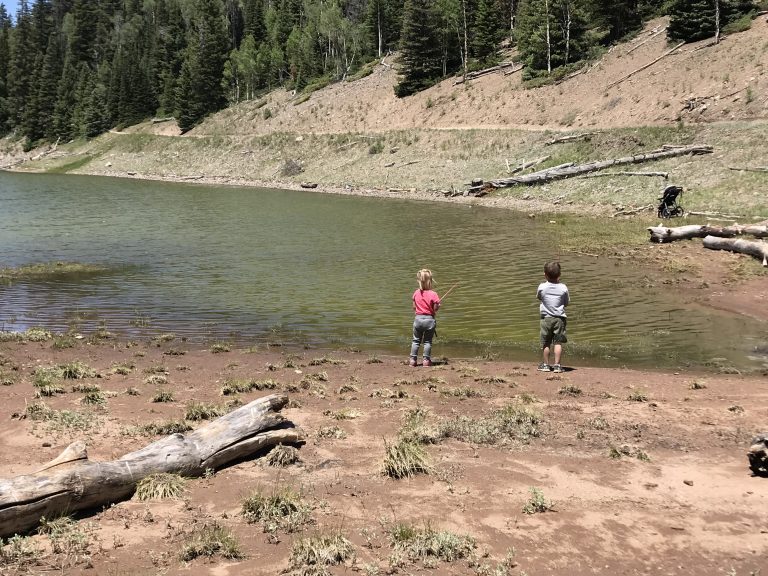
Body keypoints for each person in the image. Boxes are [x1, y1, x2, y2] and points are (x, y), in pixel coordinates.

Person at [536, 261, 569, 373]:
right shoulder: (563, 287)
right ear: (559, 275)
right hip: (559, 319)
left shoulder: (542, 287)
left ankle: (545, 365)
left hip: (545, 319)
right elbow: (566, 302)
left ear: (545, 274)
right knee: (558, 342)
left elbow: (539, 297)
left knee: (546, 342)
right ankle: (557, 366)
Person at [409, 269, 441, 367]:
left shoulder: (416, 293)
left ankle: (413, 360)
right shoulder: (433, 294)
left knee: (416, 341)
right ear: (430, 281)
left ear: (419, 281)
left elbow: (414, 307)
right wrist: (437, 306)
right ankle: (426, 361)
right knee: (427, 342)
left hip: (418, 319)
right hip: (429, 320)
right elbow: (435, 309)